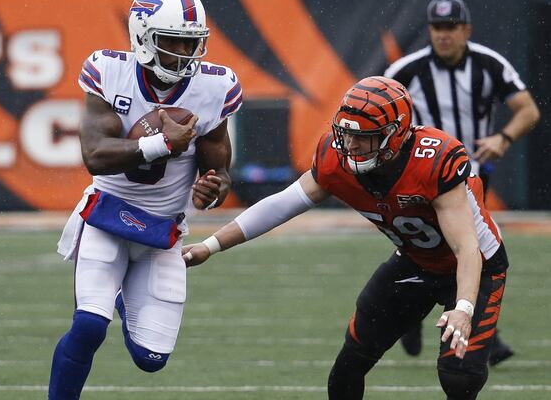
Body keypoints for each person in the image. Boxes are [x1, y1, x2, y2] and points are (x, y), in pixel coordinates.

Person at [183, 76, 508, 400]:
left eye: (362, 137)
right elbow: (281, 205)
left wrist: (463, 307)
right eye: (346, 133)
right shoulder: (336, 160)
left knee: (458, 375)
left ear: (394, 134)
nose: (350, 145)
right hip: (415, 259)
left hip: (476, 266)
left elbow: (467, 247)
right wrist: (211, 245)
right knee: (350, 363)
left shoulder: (433, 161)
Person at [49, 0, 241, 399]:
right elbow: (96, 155)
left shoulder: (215, 86)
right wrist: (161, 144)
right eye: (173, 42)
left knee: (151, 359)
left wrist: (214, 187)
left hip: (161, 231)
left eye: (192, 44)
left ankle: (123, 295)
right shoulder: (108, 70)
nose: (185, 55)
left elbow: (218, 169)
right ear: (143, 37)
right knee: (88, 326)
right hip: (108, 213)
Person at [385, 0, 540, 365]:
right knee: (436, 249)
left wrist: (503, 138)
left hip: (471, 177)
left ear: (465, 30)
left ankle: (461, 326)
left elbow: (528, 110)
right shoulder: (407, 70)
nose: (444, 35)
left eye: (451, 27)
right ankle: (449, 323)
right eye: (437, 28)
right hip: (420, 177)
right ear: (429, 31)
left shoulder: (488, 64)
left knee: (469, 251)